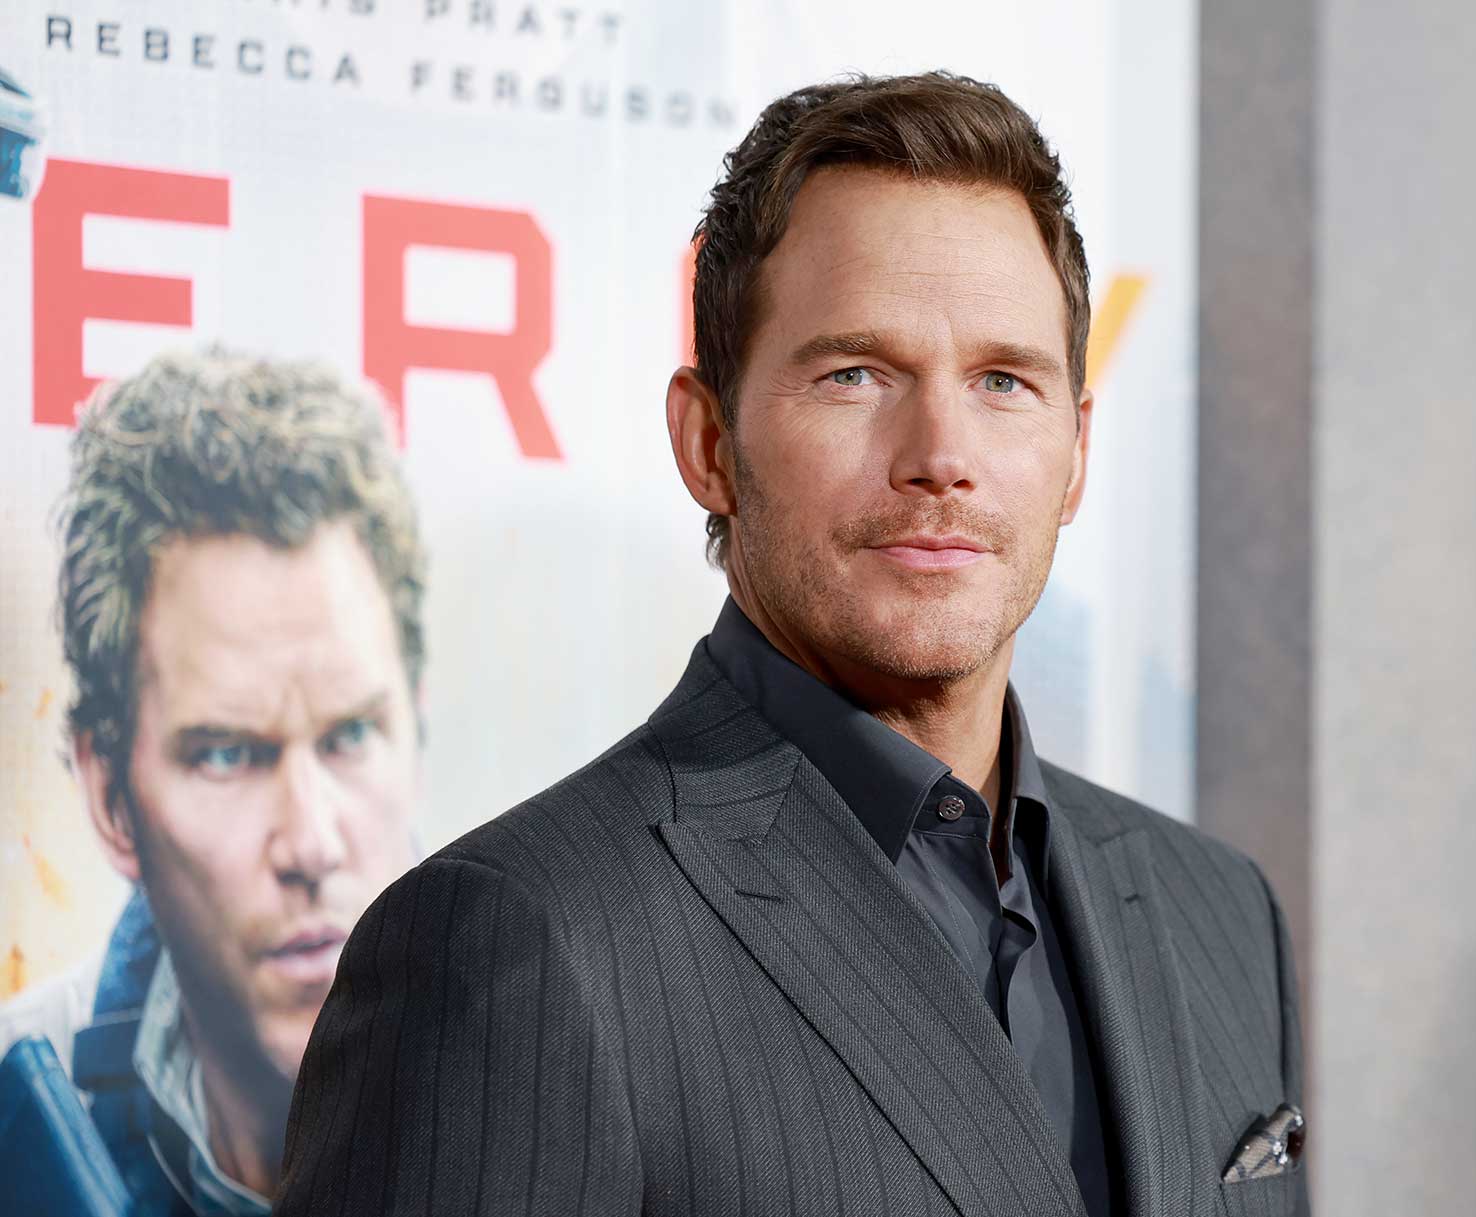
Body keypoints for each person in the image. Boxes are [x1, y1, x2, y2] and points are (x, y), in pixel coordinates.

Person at [274, 72, 1308, 1217]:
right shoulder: (514, 939)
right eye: (854, 374)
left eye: (1003, 380)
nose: (939, 453)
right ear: (709, 441)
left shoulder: (1218, 909)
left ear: (1074, 453)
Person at [0, 349, 428, 1215]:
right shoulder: (21, 1121)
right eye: (228, 754)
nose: (310, 841)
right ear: (111, 799)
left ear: (414, 729)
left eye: (349, 735)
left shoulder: (576, 1075)